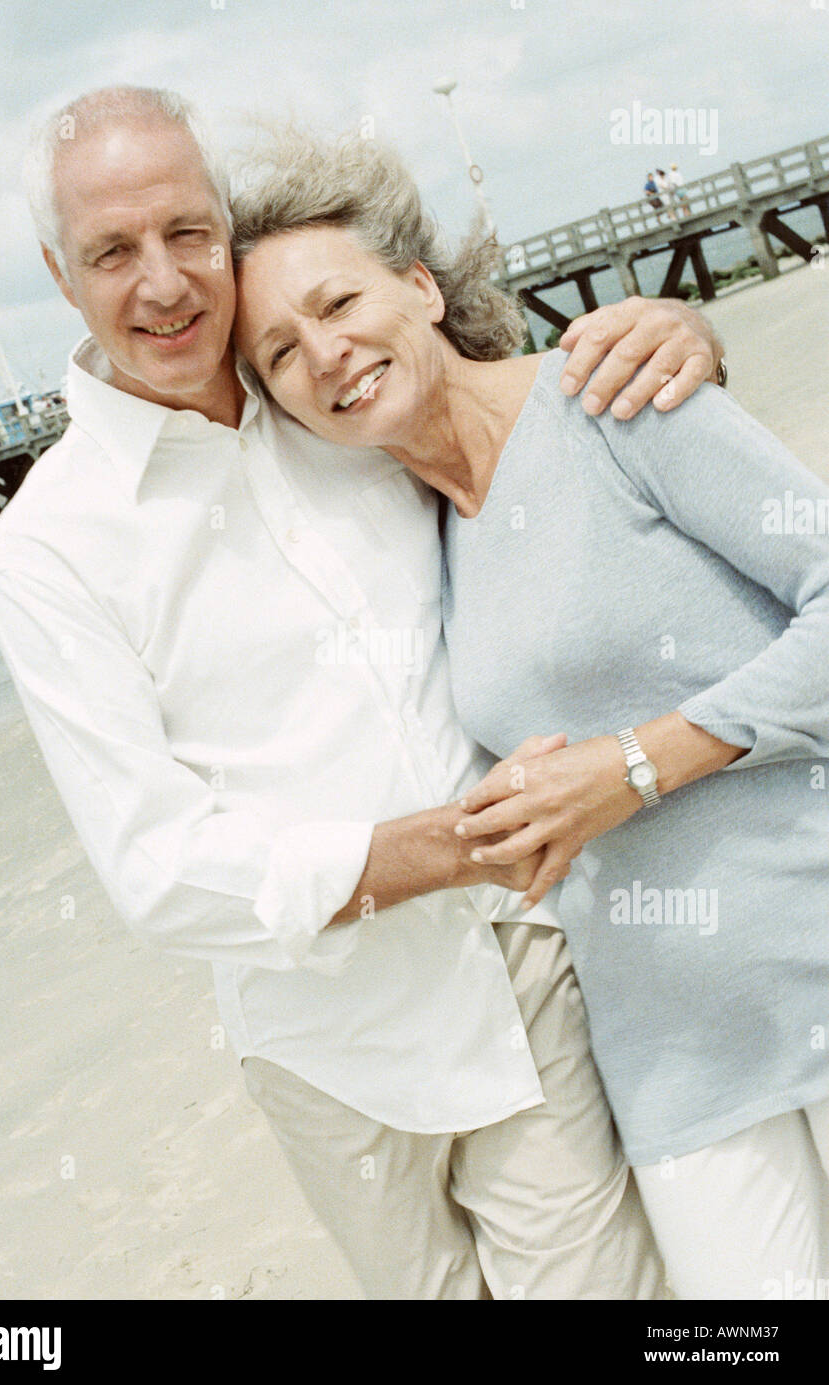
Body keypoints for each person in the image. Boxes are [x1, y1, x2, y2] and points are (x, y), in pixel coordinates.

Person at [0, 86, 723, 1301]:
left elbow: (537, 430)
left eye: (186, 233)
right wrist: (435, 848)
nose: (164, 283)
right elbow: (158, 870)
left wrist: (674, 338)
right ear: (61, 277)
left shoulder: (329, 385)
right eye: (113, 252)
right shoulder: (47, 551)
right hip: (327, 1048)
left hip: (521, 968)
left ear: (226, 230)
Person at [230, 129, 829, 1300]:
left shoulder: (613, 396)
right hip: (670, 1068)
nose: (326, 352)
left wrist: (638, 766)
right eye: (280, 352)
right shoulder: (416, 546)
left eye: (337, 299)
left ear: (420, 283)